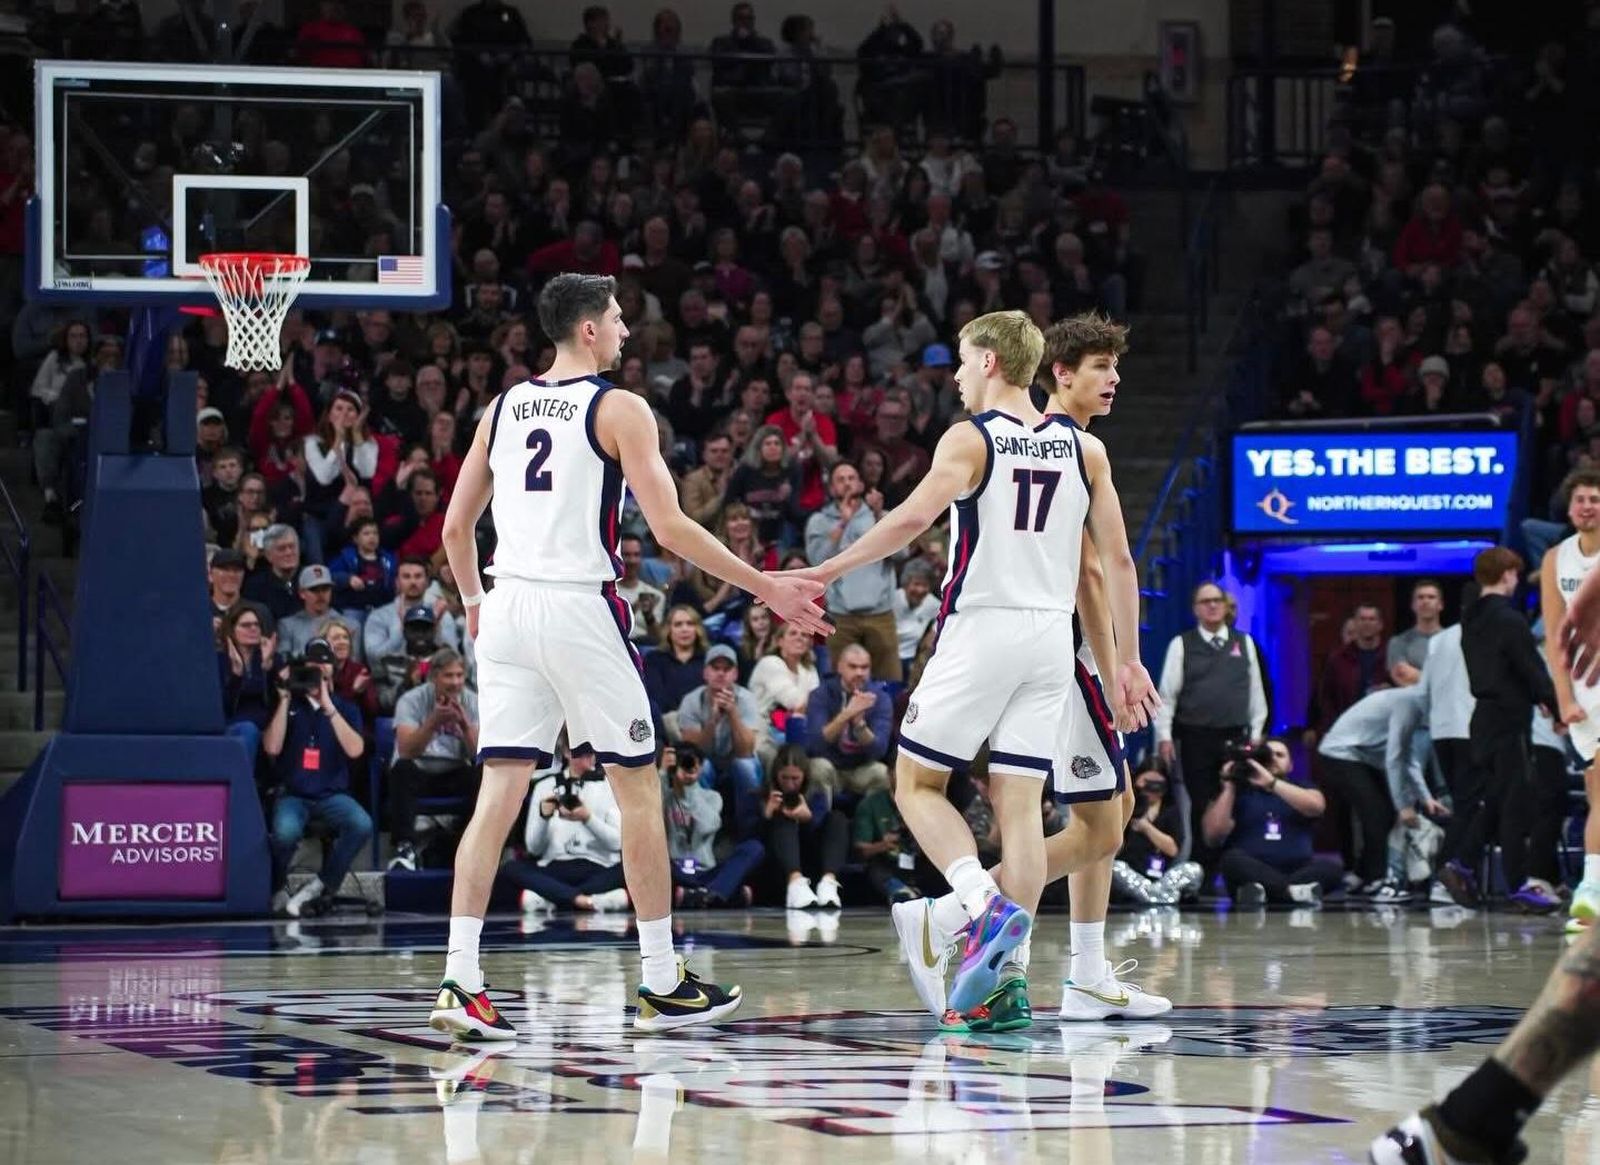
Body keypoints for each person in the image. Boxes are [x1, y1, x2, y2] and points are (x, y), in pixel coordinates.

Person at [429, 273, 829, 1039]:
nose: (622, 332)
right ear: (587, 329)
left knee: (498, 795)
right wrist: (764, 586)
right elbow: (672, 528)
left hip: (507, 605)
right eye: (615, 320)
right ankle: (660, 980)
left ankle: (460, 976)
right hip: (578, 604)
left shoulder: (502, 406)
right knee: (639, 790)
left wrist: (476, 605)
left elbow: (455, 530)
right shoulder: (618, 407)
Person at [788, 309, 1157, 1031]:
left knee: (916, 782)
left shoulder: (971, 437)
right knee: (1021, 811)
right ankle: (1001, 987)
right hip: (1051, 641)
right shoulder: (1085, 452)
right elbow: (1115, 562)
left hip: (982, 628)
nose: (956, 377)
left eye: (961, 362)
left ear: (989, 360)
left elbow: (908, 519)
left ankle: (969, 908)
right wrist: (1132, 656)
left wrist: (826, 568)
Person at [1438, 548, 1560, 913]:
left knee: (1496, 797)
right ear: (1507, 573)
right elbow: (1530, 666)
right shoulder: (1510, 619)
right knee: (1515, 802)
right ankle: (1518, 884)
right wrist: (1555, 706)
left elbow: (1503, 667)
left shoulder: (1471, 620)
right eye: (1515, 573)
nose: (1517, 580)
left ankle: (1461, 864)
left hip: (1483, 718)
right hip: (1509, 719)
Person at [1153, 580, 1269, 869]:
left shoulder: (1245, 643)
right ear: (1196, 609)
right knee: (1200, 802)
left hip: (1235, 736)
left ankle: (1236, 868)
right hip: (1195, 736)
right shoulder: (1182, 645)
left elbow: (1257, 691)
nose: (1213, 605)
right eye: (1206, 601)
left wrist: (1256, 732)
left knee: (1237, 801)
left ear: (1226, 604)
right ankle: (1201, 870)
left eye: (1217, 599)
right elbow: (1167, 696)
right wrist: (1164, 736)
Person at [262, 638, 372, 918]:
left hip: (331, 794)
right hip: (294, 794)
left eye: (323, 663)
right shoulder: (290, 705)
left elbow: (356, 750)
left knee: (361, 824)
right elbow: (272, 748)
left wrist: (327, 704)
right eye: (311, 664)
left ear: (332, 670)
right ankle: (275, 888)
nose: (317, 670)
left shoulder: (344, 708)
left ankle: (322, 885)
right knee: (285, 833)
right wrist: (285, 697)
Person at [1540, 469, 1600, 932]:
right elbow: (1554, 638)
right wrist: (1563, 699)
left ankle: (1590, 889)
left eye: (1596, 499)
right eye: (1581, 498)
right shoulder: (1555, 559)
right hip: (1584, 689)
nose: (1587, 506)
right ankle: (1591, 890)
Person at [1316, 686, 1445, 899]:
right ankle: (1376, 878)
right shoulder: (1409, 704)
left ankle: (1362, 874)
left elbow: (1408, 757)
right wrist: (1404, 806)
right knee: (1376, 813)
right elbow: (1394, 759)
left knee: (1383, 813)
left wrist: (1425, 798)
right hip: (1339, 753)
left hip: (1360, 755)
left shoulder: (1414, 705)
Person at [1202, 738, 1338, 906]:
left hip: (1298, 870)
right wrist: (1230, 786)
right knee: (1231, 859)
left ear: (1290, 765)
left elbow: (1317, 807)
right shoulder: (1239, 790)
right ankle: (1294, 893)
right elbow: (1212, 835)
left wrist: (1272, 783)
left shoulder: (1302, 786)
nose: (1273, 758)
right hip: (1251, 870)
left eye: (1280, 755)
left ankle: (1269, 892)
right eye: (1267, 754)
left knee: (1331, 868)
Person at [504, 743, 630, 913]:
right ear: (566, 752)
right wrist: (544, 817)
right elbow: (534, 848)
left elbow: (617, 843)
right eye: (581, 753)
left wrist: (587, 818)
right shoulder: (545, 786)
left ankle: (555, 898)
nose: (589, 758)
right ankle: (586, 900)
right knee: (510, 868)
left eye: (591, 753)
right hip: (555, 867)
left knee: (634, 867)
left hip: (598, 867)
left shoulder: (610, 786)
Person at [805, 461, 901, 681]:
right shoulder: (819, 521)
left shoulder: (880, 516)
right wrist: (843, 524)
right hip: (841, 615)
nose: (847, 483)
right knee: (840, 681)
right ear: (831, 488)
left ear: (860, 483)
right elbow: (815, 560)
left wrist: (878, 516)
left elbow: (902, 554)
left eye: (851, 478)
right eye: (841, 479)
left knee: (889, 681)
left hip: (881, 613)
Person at [387, 648, 479, 871]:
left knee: (487, 773)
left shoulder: (473, 701)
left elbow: (478, 754)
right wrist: (432, 722)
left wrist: (465, 725)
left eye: (459, 675)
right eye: (448, 675)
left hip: (454, 772)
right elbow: (407, 750)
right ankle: (405, 848)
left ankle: (470, 845)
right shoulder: (411, 700)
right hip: (419, 771)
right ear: (434, 677)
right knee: (401, 768)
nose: (456, 682)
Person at [662, 744, 764, 908]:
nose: (687, 767)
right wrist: (664, 774)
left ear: (700, 767)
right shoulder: (665, 796)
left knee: (754, 848)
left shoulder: (712, 797)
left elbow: (705, 826)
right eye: (682, 763)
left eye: (692, 764)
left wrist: (689, 789)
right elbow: (650, 811)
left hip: (706, 872)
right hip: (674, 870)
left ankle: (706, 894)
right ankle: (725, 896)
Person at [675, 645, 764, 812]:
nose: (721, 673)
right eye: (715, 668)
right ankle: (704, 827)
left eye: (727, 668)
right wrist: (713, 720)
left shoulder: (747, 699)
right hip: (706, 759)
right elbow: (692, 751)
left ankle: (749, 831)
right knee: (699, 766)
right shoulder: (691, 701)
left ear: (735, 674)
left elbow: (746, 751)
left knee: (745, 766)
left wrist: (732, 714)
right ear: (705, 673)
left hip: (736, 759)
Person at [758, 744, 848, 909]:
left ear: (804, 776)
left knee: (838, 818)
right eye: (784, 778)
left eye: (795, 778)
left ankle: (828, 882)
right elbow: (751, 836)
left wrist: (808, 818)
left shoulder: (816, 795)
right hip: (779, 864)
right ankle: (795, 883)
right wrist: (767, 814)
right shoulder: (765, 796)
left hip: (812, 857)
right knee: (784, 820)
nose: (790, 784)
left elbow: (821, 830)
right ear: (776, 775)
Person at [803, 643, 892, 796]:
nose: (859, 672)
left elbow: (879, 751)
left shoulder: (880, 698)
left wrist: (859, 725)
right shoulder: (820, 694)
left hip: (860, 768)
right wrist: (847, 714)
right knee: (818, 768)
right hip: (830, 765)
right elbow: (815, 745)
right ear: (840, 667)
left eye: (864, 667)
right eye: (853, 666)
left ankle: (867, 819)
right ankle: (822, 818)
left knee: (881, 773)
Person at [1110, 758, 1200, 904]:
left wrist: (1146, 827)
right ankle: (1160, 897)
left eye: (1158, 784)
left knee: (1194, 869)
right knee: (1115, 868)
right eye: (1147, 782)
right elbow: (1116, 849)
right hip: (1131, 872)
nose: (1152, 788)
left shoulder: (1171, 810)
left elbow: (1172, 850)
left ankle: (1153, 894)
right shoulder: (1128, 805)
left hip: (1163, 876)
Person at [276, 564, 362, 662]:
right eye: (314, 589)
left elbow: (355, 664)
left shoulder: (351, 625)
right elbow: (283, 661)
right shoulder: (287, 626)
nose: (321, 595)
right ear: (302, 593)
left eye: (325, 589)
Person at [1388, 579, 1446, 686]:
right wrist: (1439, 680)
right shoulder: (1398, 643)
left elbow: (1456, 679)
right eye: (1420, 597)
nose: (1425, 601)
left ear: (1440, 605)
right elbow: (1402, 677)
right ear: (1413, 605)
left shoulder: (1453, 641)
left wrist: (1416, 675)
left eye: (1431, 597)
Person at [892, 561, 939, 677]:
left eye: (925, 585)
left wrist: (934, 631)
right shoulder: (892, 599)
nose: (920, 590)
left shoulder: (932, 604)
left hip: (911, 661)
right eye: (916, 584)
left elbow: (945, 617)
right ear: (906, 584)